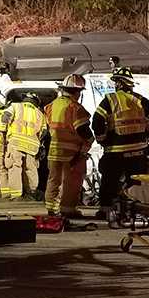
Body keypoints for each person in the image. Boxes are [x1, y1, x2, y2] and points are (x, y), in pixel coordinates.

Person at [92, 64, 149, 227]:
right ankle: (136, 211)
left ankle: (105, 210)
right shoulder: (140, 100)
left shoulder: (110, 100)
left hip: (115, 152)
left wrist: (102, 138)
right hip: (138, 152)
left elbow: (97, 120)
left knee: (109, 182)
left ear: (118, 83)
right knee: (136, 184)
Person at [44, 74, 93, 217]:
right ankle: (68, 210)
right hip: (72, 154)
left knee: (54, 180)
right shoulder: (75, 108)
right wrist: (88, 144)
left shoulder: (51, 106)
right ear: (77, 92)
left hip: (54, 151)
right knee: (72, 182)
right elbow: (84, 131)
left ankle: (52, 209)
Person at [2, 92, 47, 200]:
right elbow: (44, 132)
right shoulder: (40, 114)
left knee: (15, 167)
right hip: (32, 145)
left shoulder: (15, 106)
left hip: (16, 142)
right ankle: (32, 191)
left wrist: (4, 132)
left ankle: (16, 195)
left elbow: (5, 118)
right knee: (31, 168)